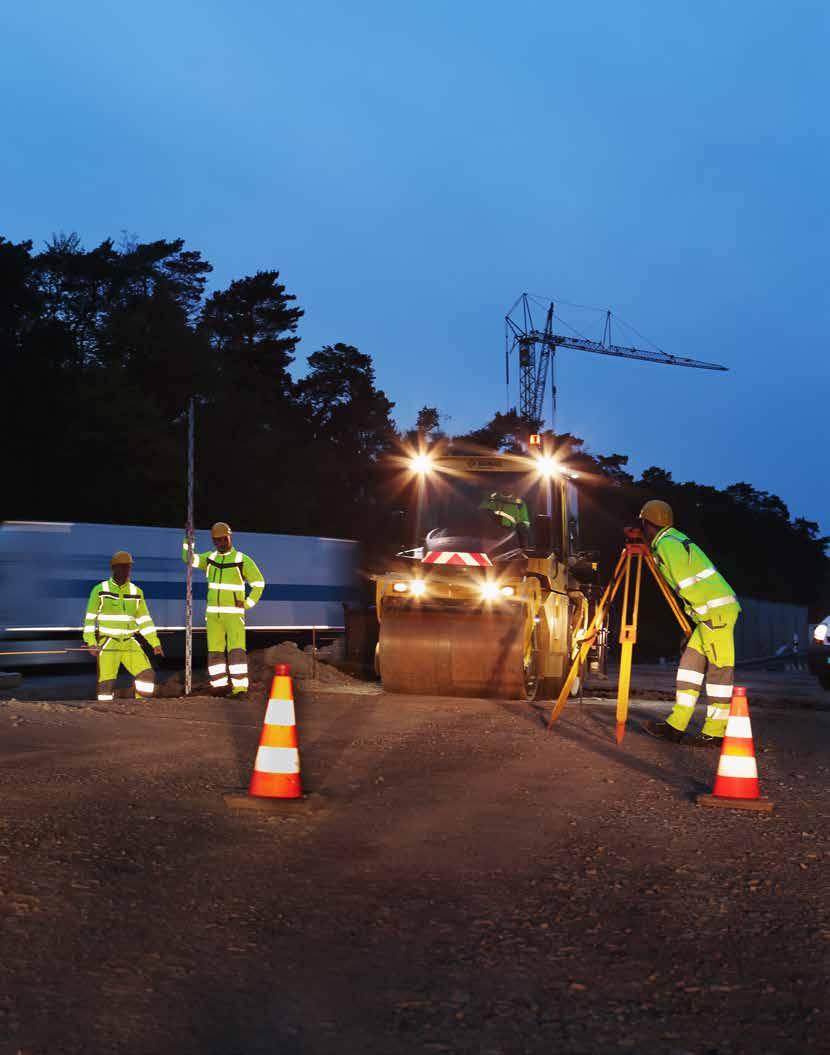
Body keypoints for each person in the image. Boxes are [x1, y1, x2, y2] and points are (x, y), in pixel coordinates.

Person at [639, 500, 741, 746]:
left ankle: (714, 733)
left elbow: (687, 585)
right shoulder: (671, 540)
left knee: (719, 671)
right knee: (689, 668)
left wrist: (701, 619)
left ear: (647, 523)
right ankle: (676, 726)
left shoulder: (667, 545)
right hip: (707, 614)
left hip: (713, 615)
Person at [182, 522, 265, 696]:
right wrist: (188, 540)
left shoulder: (242, 559)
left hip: (234, 615)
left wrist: (248, 603)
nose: (221, 543)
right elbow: (189, 559)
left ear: (230, 537)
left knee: (236, 652)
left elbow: (259, 583)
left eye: (223, 539)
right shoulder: (210, 558)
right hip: (213, 615)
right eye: (217, 540)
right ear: (213, 541)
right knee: (215, 653)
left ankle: (240, 688)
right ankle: (219, 687)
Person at [83, 551, 163, 702]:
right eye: (122, 567)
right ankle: (106, 715)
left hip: (129, 642)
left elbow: (144, 620)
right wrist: (91, 642)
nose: (125, 570)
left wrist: (155, 642)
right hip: (108, 643)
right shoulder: (99, 590)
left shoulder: (136, 591)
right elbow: (90, 620)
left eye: (128, 567)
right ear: (113, 568)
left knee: (146, 674)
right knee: (105, 686)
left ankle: (141, 707)